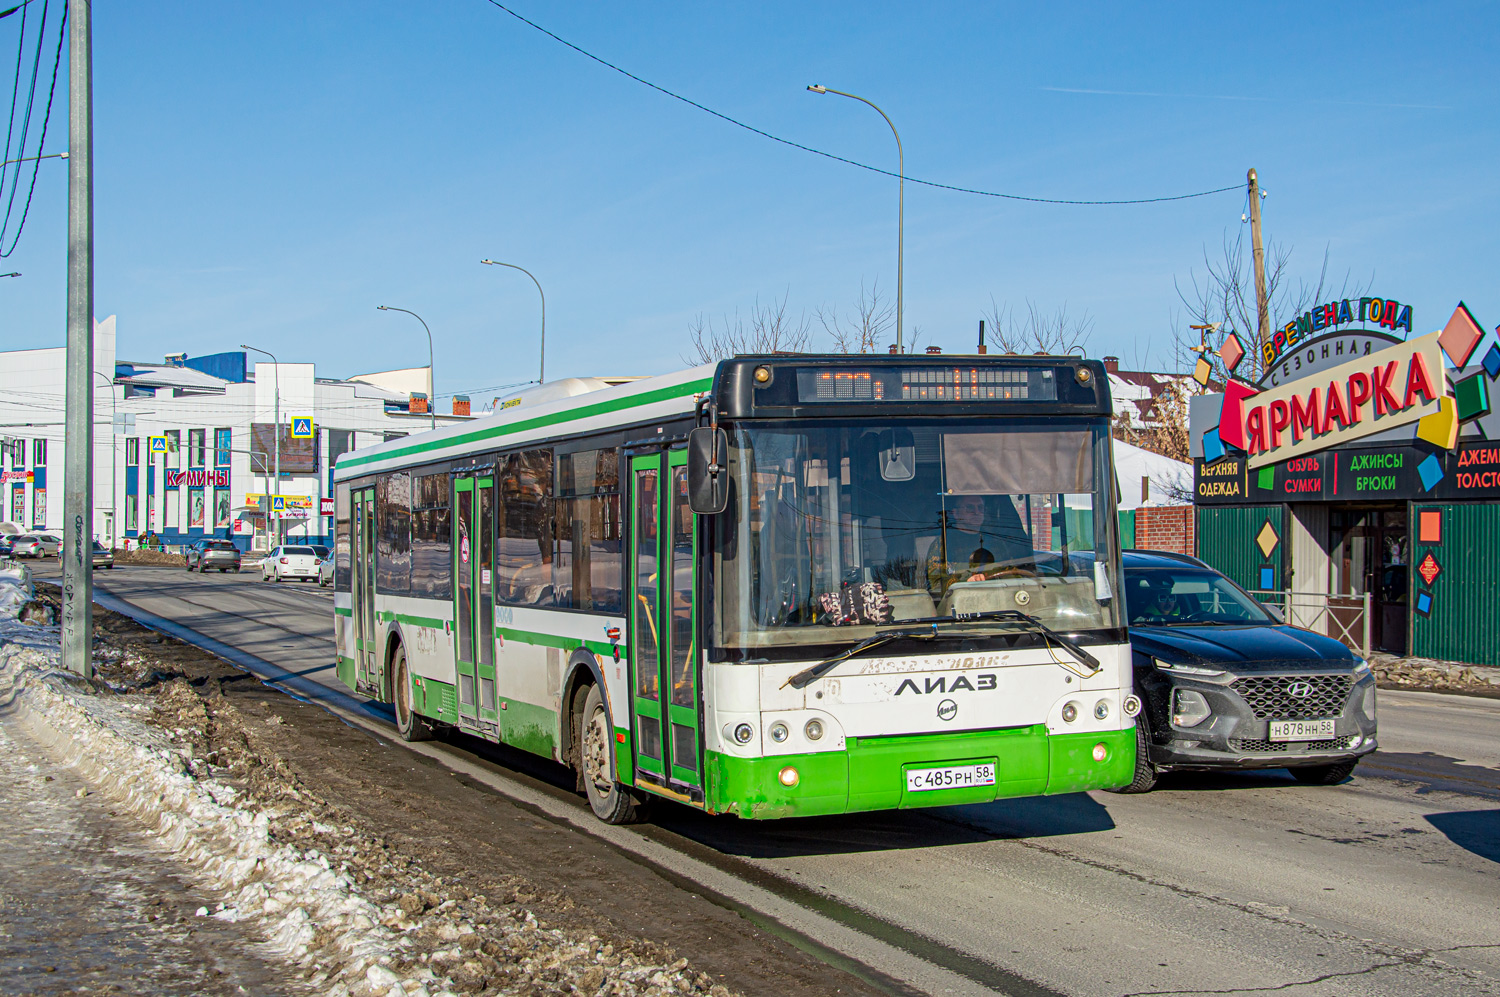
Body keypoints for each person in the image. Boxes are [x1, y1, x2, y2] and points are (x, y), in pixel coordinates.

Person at [925, 495, 1033, 594]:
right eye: (970, 508)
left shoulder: (996, 542)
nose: (976, 512)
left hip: (999, 602)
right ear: (956, 513)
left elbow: (1010, 572)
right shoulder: (942, 544)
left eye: (980, 508)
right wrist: (964, 582)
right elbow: (935, 585)